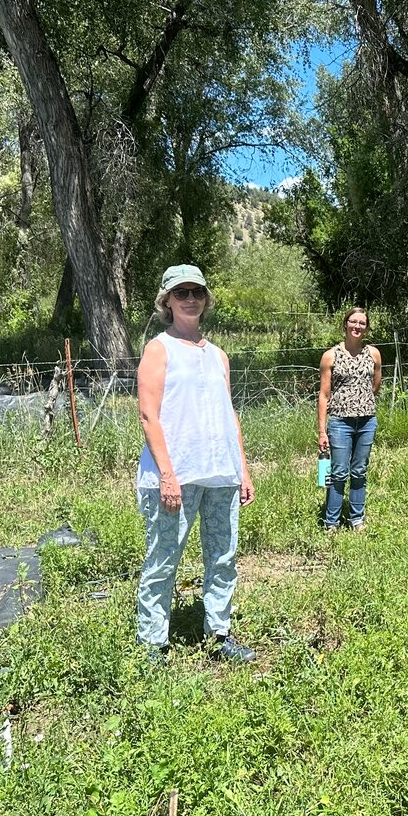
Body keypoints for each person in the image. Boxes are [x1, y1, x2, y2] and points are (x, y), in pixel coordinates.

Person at [135, 264, 256, 663]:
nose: (190, 299)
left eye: (197, 292)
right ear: (166, 300)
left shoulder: (218, 355)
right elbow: (148, 415)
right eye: (181, 292)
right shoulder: (159, 349)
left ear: (206, 300)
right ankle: (153, 642)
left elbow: (229, 413)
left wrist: (242, 468)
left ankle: (218, 635)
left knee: (223, 557)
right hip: (176, 476)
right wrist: (167, 476)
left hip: (221, 473)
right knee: (163, 559)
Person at [317, 307, 383, 531]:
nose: (357, 326)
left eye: (362, 323)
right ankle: (331, 522)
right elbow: (324, 394)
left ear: (366, 327)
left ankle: (357, 519)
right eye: (353, 322)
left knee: (359, 471)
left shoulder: (373, 354)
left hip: (366, 421)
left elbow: (375, 384)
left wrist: (362, 402)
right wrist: (322, 430)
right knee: (338, 472)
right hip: (339, 422)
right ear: (345, 324)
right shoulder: (331, 355)